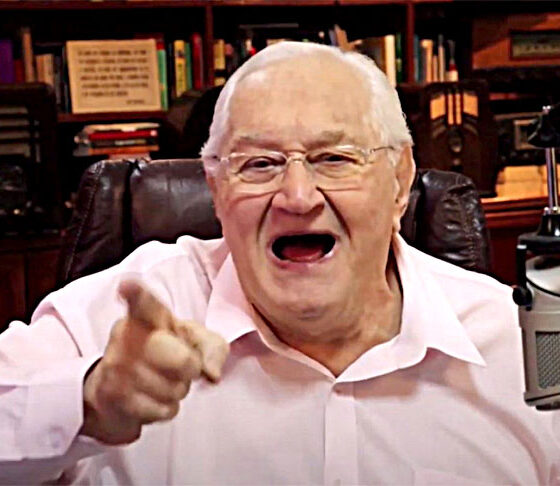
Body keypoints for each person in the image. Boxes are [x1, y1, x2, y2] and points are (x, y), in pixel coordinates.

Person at [1, 41, 559, 485]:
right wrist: (87, 400)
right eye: (259, 164)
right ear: (216, 189)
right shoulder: (118, 319)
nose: (297, 196)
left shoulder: (523, 344)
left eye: (334, 158)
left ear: (399, 181)